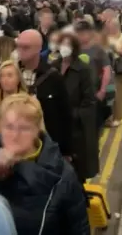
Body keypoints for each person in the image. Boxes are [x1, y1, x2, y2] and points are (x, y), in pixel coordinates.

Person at [0, 94, 90, 235]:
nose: (15, 135)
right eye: (9, 127)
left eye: (24, 128)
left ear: (37, 131)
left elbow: (79, 228)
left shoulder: (62, 174)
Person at [50, 33, 99, 183]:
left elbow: (89, 101)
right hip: (55, 127)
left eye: (68, 45)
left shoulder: (83, 70)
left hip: (75, 131)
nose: (64, 48)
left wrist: (73, 114)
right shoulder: (53, 67)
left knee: (76, 174)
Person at [17, 29, 73, 158]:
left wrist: (66, 151)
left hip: (47, 147)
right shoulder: (11, 74)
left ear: (38, 48)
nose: (20, 50)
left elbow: (64, 116)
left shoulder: (53, 77)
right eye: (18, 46)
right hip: (17, 145)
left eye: (26, 47)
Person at [75, 21, 112, 129]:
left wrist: (102, 90)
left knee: (95, 123)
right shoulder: (73, 49)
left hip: (94, 91)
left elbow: (106, 70)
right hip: (78, 93)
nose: (80, 36)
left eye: (83, 33)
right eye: (78, 33)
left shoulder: (98, 50)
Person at [106, 19, 122, 127]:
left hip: (118, 69)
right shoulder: (106, 37)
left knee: (117, 94)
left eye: (110, 26)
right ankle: (109, 116)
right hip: (107, 67)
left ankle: (117, 117)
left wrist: (116, 50)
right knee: (109, 93)